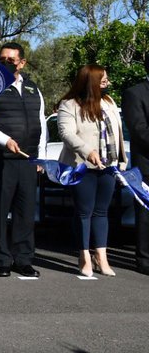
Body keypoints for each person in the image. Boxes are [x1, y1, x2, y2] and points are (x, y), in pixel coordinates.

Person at [0, 42, 47, 278]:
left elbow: (42, 122)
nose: (6, 63)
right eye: (2, 59)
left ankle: (24, 259)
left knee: (25, 212)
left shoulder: (32, 89)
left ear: (22, 63)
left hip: (27, 159)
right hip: (1, 159)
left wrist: (41, 156)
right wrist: (4, 139)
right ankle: (1, 259)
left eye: (11, 60)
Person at [57, 65, 126, 277]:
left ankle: (101, 257)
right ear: (90, 81)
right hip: (81, 166)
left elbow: (118, 132)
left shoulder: (109, 102)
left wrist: (121, 160)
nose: (107, 82)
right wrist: (87, 151)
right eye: (102, 79)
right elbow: (66, 133)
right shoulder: (69, 105)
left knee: (102, 212)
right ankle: (84, 255)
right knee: (84, 212)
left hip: (108, 165)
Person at [117, 56, 149, 276]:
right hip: (147, 165)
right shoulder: (135, 93)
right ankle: (145, 259)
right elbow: (139, 130)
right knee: (146, 216)